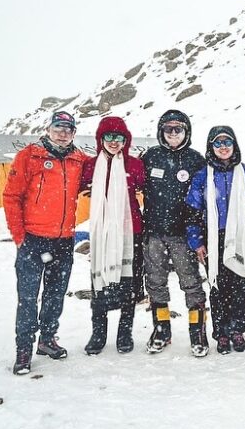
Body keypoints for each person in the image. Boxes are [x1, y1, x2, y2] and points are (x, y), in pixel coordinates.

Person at [3, 111, 87, 375]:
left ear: (74, 133)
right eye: (58, 127)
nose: (63, 133)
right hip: (33, 241)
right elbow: (11, 196)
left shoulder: (79, 159)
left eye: (68, 129)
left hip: (63, 240)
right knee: (28, 298)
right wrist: (19, 236)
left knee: (55, 295)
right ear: (49, 129)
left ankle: (48, 339)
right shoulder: (29, 156)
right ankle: (24, 349)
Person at [185, 126, 245, 354]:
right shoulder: (203, 175)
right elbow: (192, 210)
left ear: (234, 144)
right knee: (218, 285)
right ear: (211, 147)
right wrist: (197, 241)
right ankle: (221, 332)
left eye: (227, 142)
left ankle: (237, 330)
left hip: (240, 235)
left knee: (240, 284)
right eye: (217, 143)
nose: (223, 147)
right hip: (213, 236)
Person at [141, 110, 208, 357]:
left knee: (190, 282)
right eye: (168, 129)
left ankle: (197, 330)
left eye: (178, 129)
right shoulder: (150, 157)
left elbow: (204, 197)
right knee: (156, 282)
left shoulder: (195, 160)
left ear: (186, 132)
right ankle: (161, 328)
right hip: (154, 232)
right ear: (161, 131)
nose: (173, 133)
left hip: (182, 234)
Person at [80, 117, 145, 355]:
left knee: (128, 285)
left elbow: (145, 189)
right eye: (109, 137)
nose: (114, 142)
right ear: (100, 139)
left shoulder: (135, 165)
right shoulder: (89, 166)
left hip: (130, 231)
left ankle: (124, 332)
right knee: (101, 284)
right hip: (102, 234)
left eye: (120, 138)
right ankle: (99, 333)